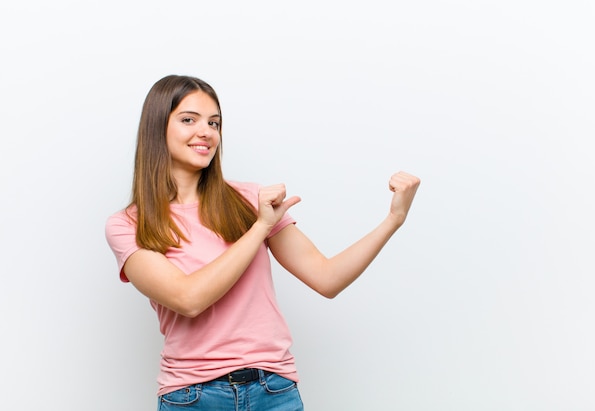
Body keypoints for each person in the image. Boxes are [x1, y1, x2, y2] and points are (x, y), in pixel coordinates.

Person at [105, 74, 420, 411]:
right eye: (188, 120)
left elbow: (327, 279)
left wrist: (393, 221)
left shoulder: (249, 199)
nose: (206, 132)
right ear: (157, 128)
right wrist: (258, 228)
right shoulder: (129, 224)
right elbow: (188, 299)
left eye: (214, 122)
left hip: (274, 391)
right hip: (192, 397)